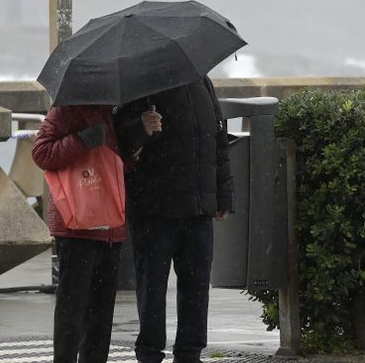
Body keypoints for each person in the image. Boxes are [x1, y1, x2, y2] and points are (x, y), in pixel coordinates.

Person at [114, 76, 234, 363]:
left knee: (196, 287)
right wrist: (140, 128)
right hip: (154, 209)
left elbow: (218, 141)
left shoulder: (201, 81)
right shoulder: (139, 84)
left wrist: (223, 195)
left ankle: (190, 354)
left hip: (197, 208)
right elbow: (117, 141)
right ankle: (149, 354)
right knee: (152, 286)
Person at [32, 104, 158, 363]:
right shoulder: (66, 109)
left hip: (109, 226)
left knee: (101, 314)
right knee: (73, 309)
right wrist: (83, 139)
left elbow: (111, 164)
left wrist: (136, 145)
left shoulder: (109, 113)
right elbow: (42, 153)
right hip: (78, 227)